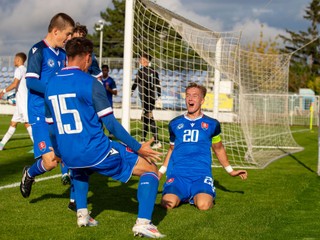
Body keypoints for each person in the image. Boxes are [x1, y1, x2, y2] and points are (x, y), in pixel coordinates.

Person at [44, 37, 165, 238]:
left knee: (81, 170)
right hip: (96, 151)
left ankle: (82, 214)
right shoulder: (90, 83)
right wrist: (138, 147)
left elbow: (50, 129)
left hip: (69, 154)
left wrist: (58, 152)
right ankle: (144, 222)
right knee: (150, 169)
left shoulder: (50, 84)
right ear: (87, 57)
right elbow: (110, 124)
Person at [159, 82, 248, 211]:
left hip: (201, 175)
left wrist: (231, 171)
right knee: (168, 204)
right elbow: (172, 149)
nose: (190, 98)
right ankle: (183, 193)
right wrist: (160, 172)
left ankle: (199, 192)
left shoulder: (212, 124)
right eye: (188, 95)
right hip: (179, 175)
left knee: (203, 205)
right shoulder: (174, 123)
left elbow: (218, 148)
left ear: (202, 100)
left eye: (195, 96)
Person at [20, 13, 75, 198]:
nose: (68, 38)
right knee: (50, 161)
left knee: (68, 152)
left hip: (58, 112)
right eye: (67, 34)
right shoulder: (38, 50)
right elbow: (31, 82)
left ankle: (77, 201)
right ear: (56, 31)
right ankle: (29, 173)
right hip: (39, 114)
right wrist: (54, 90)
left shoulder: (63, 55)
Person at [0, 52, 33, 150]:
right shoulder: (25, 70)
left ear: (18, 60)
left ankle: (38, 147)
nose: (14, 61)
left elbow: (15, 84)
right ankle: (1, 145)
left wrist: (4, 91)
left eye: (15, 59)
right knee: (13, 123)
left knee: (28, 124)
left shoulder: (19, 70)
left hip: (23, 102)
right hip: (20, 103)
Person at [131, 53, 162, 149]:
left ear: (147, 61)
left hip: (146, 98)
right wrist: (159, 96)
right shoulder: (154, 71)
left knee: (149, 117)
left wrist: (131, 90)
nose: (140, 61)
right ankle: (143, 140)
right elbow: (158, 85)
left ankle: (156, 141)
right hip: (151, 97)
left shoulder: (141, 71)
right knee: (146, 118)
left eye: (142, 59)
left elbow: (136, 82)